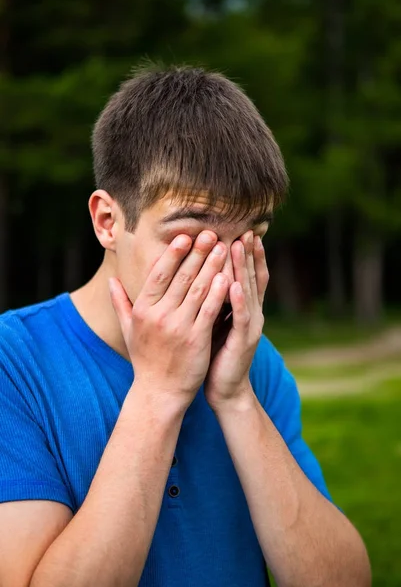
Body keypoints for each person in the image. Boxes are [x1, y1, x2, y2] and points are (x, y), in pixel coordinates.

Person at [0, 65, 370, 587]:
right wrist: (157, 393)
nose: (220, 274)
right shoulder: (13, 362)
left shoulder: (253, 364)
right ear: (108, 221)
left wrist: (237, 398)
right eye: (192, 238)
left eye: (248, 239)